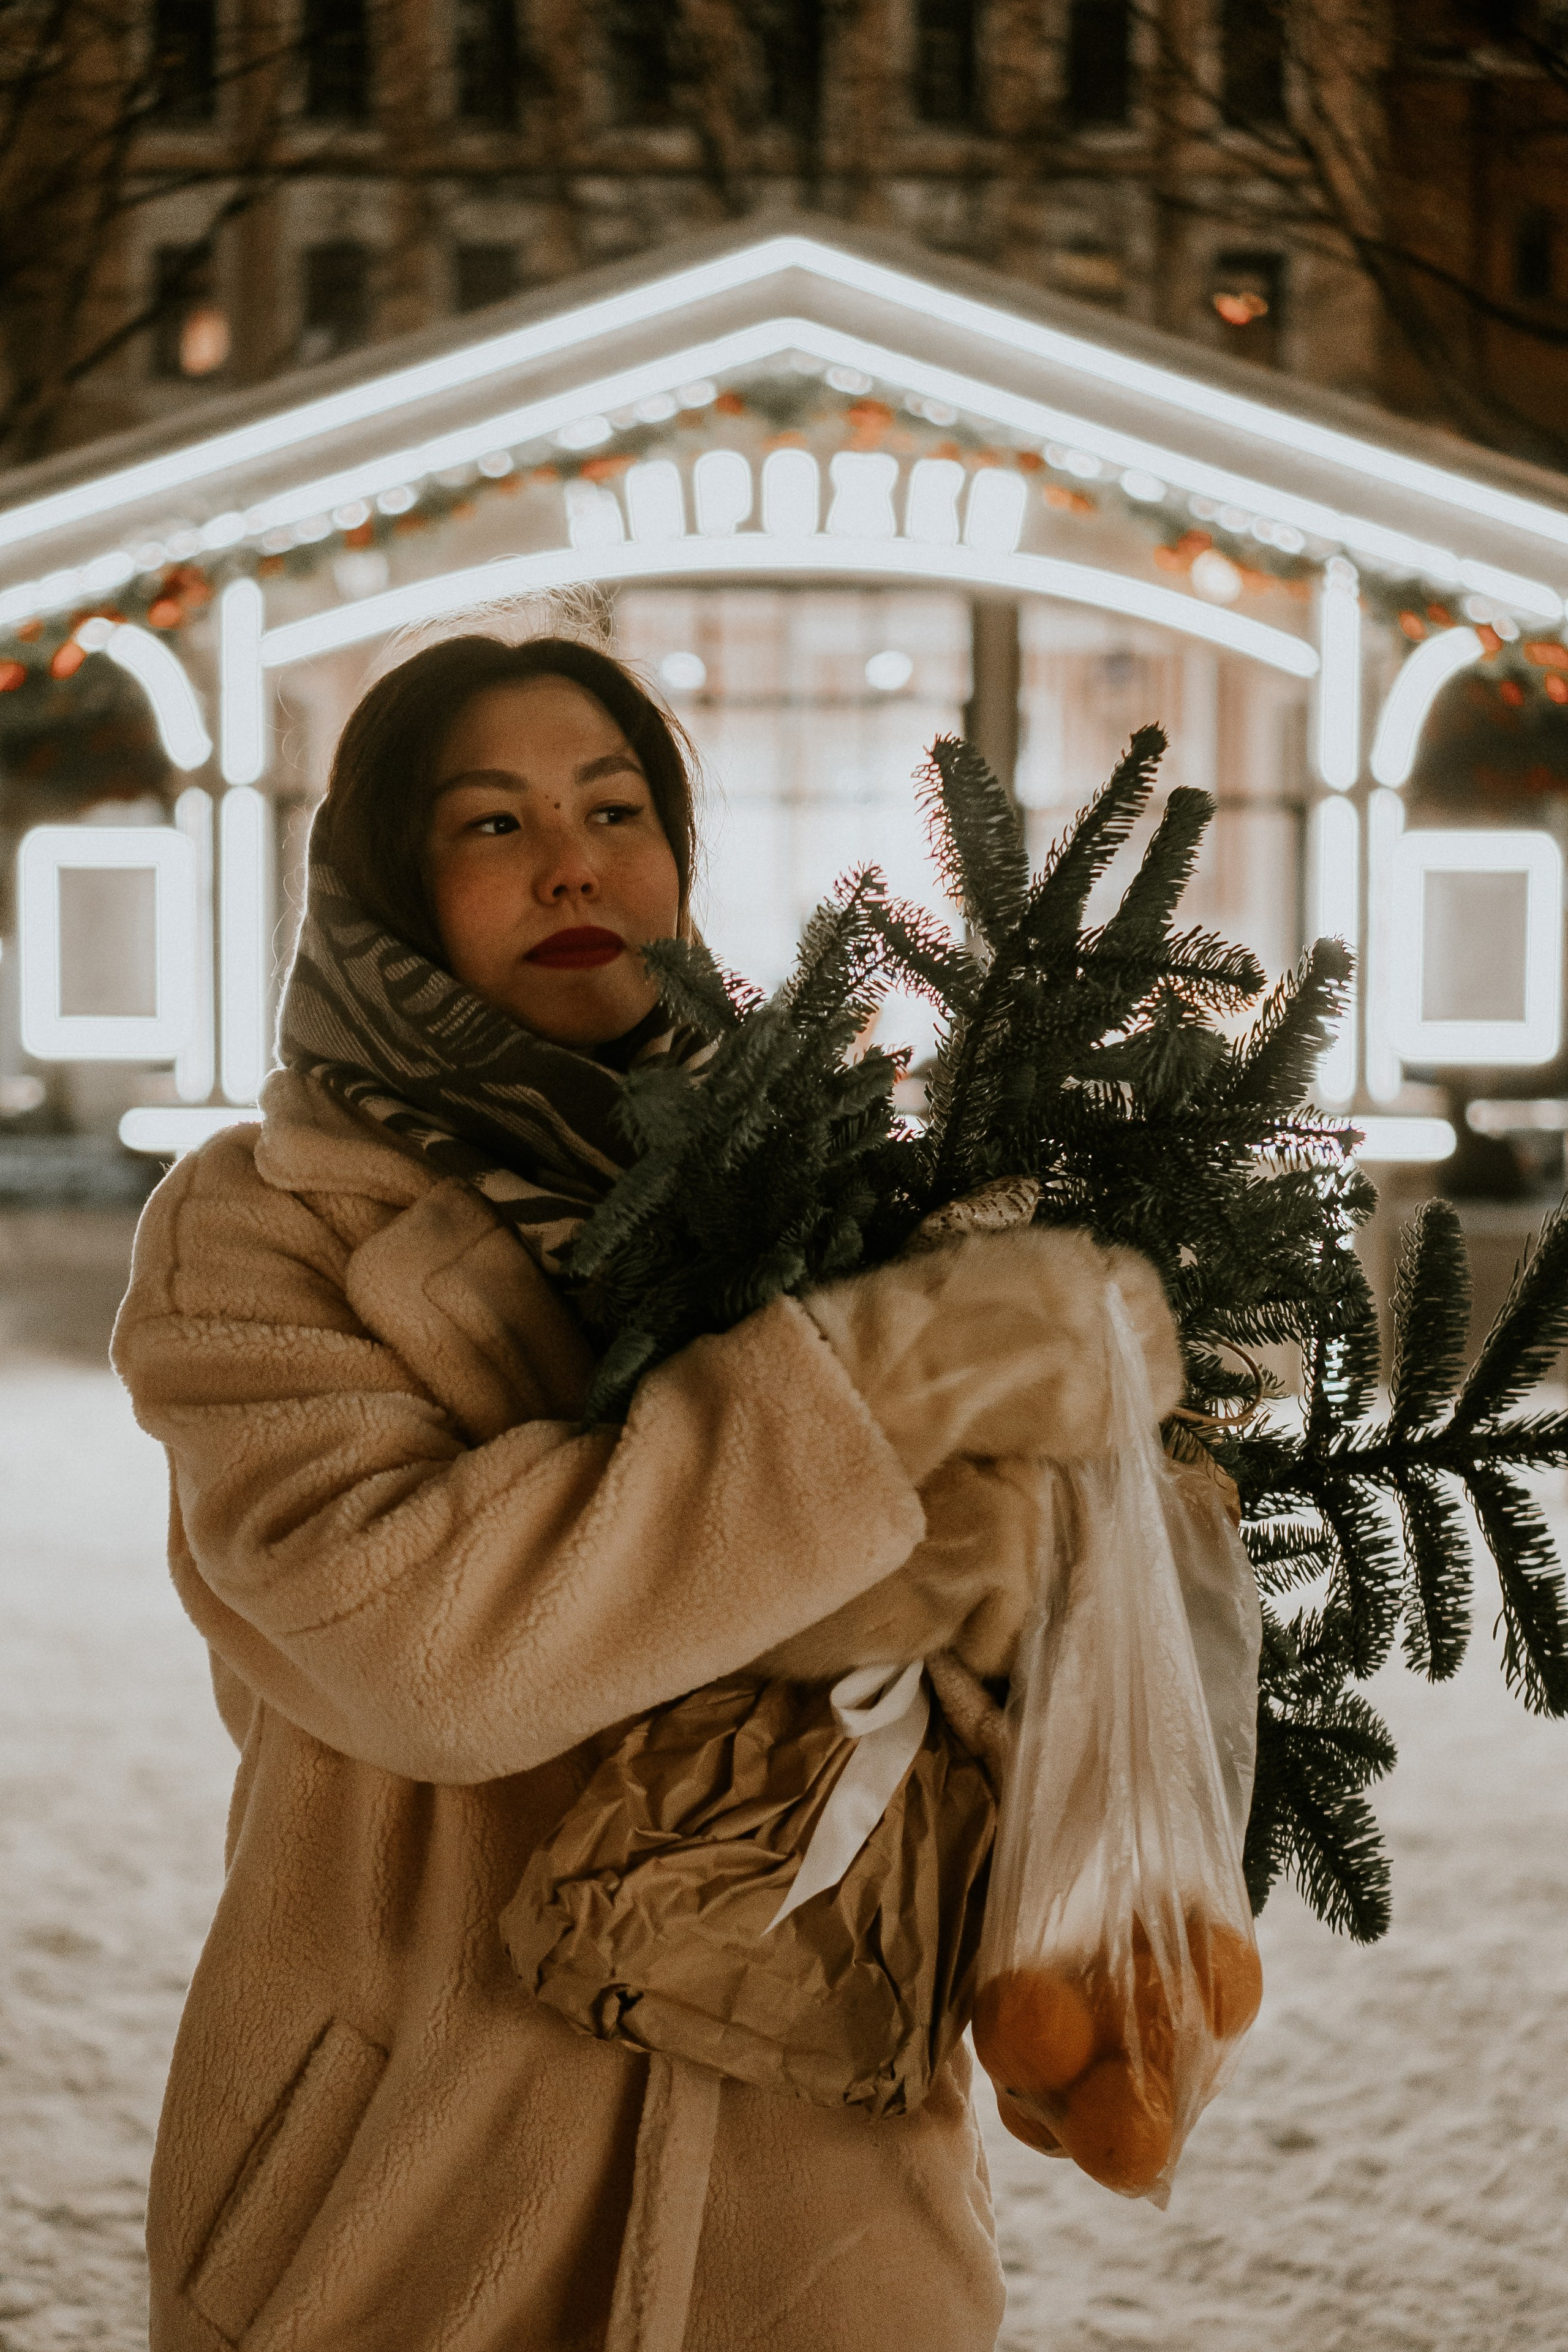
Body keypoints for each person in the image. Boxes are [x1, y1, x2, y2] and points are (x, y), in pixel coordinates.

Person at [113, 633, 1183, 2352]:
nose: (572, 864)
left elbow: (969, 1691)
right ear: (386, 883)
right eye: (492, 823)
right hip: (411, 2175)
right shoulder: (262, 1228)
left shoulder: (828, 1182)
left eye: (616, 810)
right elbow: (428, 1655)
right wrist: (891, 1384)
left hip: (816, 2171)